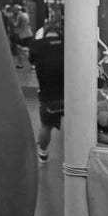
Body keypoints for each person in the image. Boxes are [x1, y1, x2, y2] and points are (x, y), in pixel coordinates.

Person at [30, 17, 64, 162]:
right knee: (77, 126)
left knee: (46, 126)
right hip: (71, 95)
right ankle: (80, 154)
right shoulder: (67, 43)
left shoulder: (36, 45)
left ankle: (43, 153)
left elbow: (31, 61)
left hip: (48, 97)